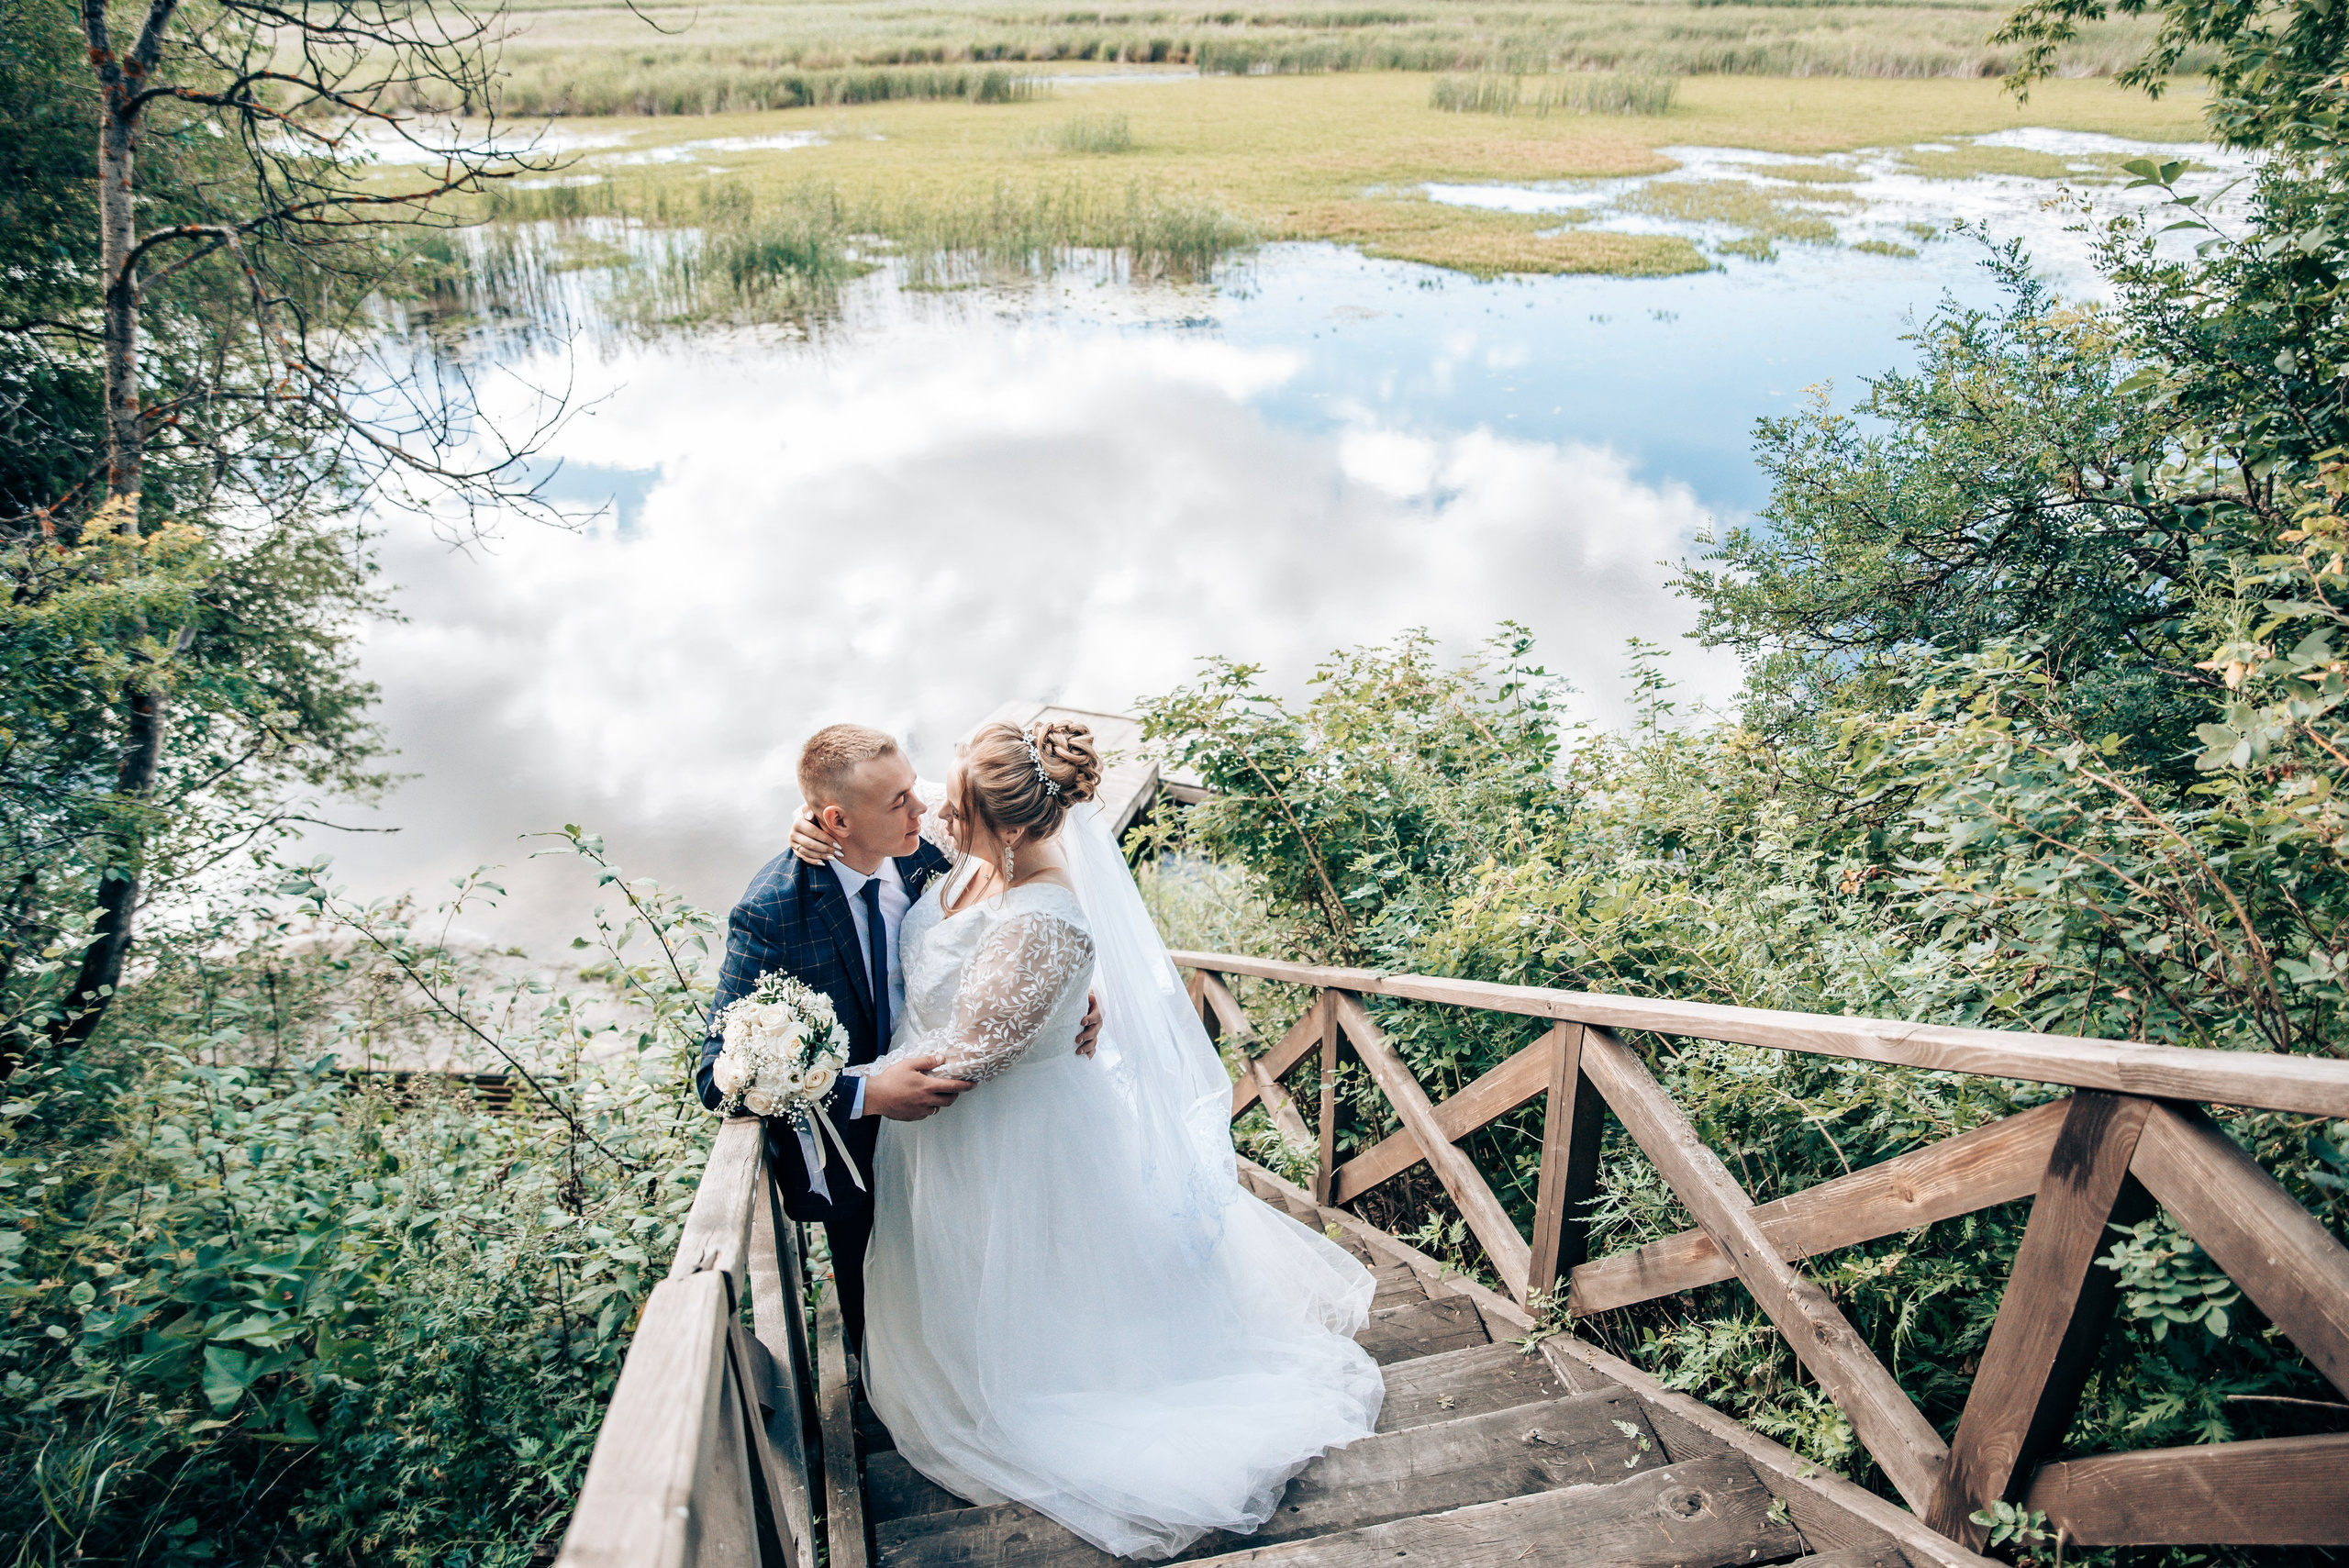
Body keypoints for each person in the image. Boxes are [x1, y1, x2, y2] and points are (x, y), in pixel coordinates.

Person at [815, 718, 1383, 1560]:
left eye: (956, 801)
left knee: (1032, 1301)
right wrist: (813, 828)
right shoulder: (983, 853)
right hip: (963, 1145)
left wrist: (826, 1083)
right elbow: (916, 839)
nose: (937, 811)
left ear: (1007, 826)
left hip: (1002, 1143)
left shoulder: (1045, 919)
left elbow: (965, 1061)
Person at [696, 723, 1100, 1354]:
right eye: (901, 800)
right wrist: (864, 1094)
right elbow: (719, 1075)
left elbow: (1025, 905)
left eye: (919, 788)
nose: (929, 807)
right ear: (835, 821)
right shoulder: (775, 911)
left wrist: (1064, 995)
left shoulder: (924, 842)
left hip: (976, 1140)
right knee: (883, 1334)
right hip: (859, 1155)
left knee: (995, 1313)